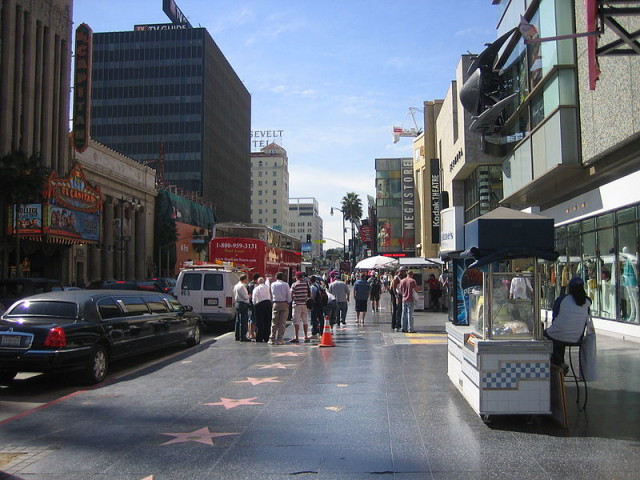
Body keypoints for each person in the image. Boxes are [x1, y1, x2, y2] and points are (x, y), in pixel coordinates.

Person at [544, 277, 592, 369]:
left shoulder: (562, 299)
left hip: (558, 335)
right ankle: (559, 364)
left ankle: (557, 366)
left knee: (545, 336)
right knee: (559, 338)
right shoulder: (587, 302)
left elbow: (555, 318)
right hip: (576, 338)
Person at [270, 272, 291, 345]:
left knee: (274, 321)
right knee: (282, 322)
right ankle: (280, 338)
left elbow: (271, 294)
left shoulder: (272, 284)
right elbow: (288, 295)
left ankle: (272, 338)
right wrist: (288, 302)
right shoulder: (286, 284)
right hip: (284, 303)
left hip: (276, 303)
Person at [290, 272, 311, 343]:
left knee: (296, 321)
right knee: (305, 321)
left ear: (296, 277)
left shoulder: (294, 284)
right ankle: (306, 336)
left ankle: (296, 337)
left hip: (297, 304)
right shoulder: (306, 284)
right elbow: (309, 294)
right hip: (305, 304)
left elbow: (291, 294)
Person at [252, 277, 272, 343]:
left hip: (260, 304)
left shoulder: (256, 288)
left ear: (258, 282)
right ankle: (266, 337)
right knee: (267, 321)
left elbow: (254, 299)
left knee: (260, 322)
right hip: (268, 303)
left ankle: (259, 337)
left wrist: (254, 305)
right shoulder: (267, 287)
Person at [233, 273, 251, 342]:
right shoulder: (242, 286)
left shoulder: (236, 286)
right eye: (247, 279)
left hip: (237, 303)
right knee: (243, 321)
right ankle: (243, 336)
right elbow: (245, 296)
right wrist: (249, 296)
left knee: (237, 320)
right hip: (243, 303)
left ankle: (237, 335)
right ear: (245, 279)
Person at [247, 272, 260, 340]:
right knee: (253, 319)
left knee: (249, 319)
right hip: (253, 304)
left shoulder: (249, 284)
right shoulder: (255, 285)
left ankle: (249, 333)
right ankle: (252, 334)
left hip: (249, 304)